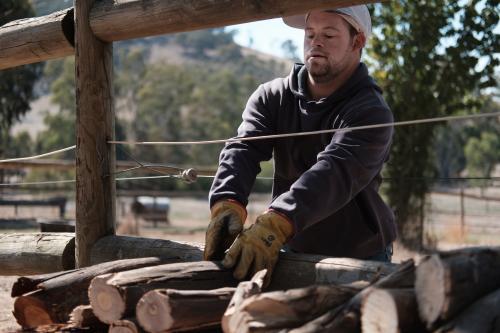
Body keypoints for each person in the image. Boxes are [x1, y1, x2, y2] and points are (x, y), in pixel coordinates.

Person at [204, 5, 397, 286]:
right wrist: (227, 203)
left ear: (357, 42)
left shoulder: (371, 112)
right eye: (310, 34)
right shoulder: (271, 97)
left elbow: (334, 172)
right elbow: (243, 149)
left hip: (359, 257)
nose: (316, 42)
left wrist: (276, 222)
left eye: (329, 35)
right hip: (288, 248)